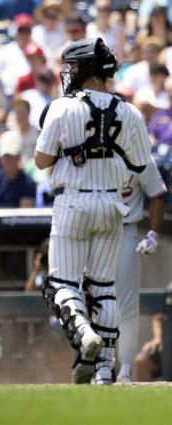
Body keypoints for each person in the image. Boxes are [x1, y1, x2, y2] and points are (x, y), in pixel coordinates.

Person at [34, 38, 151, 385]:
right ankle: (103, 371)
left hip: (72, 201)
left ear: (83, 69)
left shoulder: (61, 106)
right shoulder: (131, 111)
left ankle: (84, 335)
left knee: (59, 284)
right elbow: (141, 163)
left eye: (71, 67)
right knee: (104, 288)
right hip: (114, 204)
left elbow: (41, 161)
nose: (67, 74)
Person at [114, 158, 167, 383]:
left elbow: (156, 193)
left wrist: (153, 235)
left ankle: (124, 370)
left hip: (126, 230)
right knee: (96, 302)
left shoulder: (141, 156)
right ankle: (100, 366)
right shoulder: (94, 147)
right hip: (92, 231)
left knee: (127, 304)